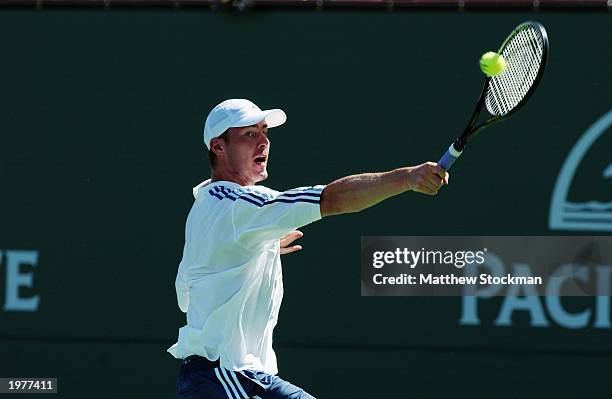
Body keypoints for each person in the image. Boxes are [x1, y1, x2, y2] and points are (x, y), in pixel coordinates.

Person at [168, 99, 449, 399]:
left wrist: (249, 251)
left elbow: (185, 294)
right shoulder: (235, 206)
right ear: (218, 147)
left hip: (220, 378)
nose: (264, 141)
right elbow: (332, 200)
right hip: (225, 376)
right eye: (249, 134)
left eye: (264, 132)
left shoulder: (206, 209)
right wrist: (405, 178)